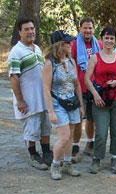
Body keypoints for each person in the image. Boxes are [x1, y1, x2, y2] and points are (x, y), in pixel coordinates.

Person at [84, 26, 116, 175]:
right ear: (102, 39)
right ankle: (97, 158)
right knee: (101, 132)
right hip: (100, 100)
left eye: (112, 38)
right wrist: (95, 96)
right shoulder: (95, 57)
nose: (109, 40)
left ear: (115, 40)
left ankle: (115, 158)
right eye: (106, 38)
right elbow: (87, 79)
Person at [9, 18, 52, 171]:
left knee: (46, 127)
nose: (30, 32)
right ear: (19, 32)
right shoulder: (16, 52)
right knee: (32, 130)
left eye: (32, 28)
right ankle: (33, 155)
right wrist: (20, 100)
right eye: (26, 29)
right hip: (29, 101)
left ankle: (47, 152)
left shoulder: (37, 49)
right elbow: (14, 77)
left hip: (42, 99)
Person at [42, 30, 84, 180]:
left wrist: (80, 105)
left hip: (72, 102)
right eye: (67, 42)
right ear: (59, 44)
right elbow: (46, 89)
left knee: (70, 136)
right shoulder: (49, 63)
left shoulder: (71, 61)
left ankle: (67, 164)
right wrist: (51, 111)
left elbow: (77, 84)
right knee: (64, 136)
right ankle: (55, 165)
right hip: (57, 104)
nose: (70, 44)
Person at [71, 17, 103, 159]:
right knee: (78, 118)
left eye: (90, 28)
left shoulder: (100, 45)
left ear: (93, 30)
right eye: (85, 28)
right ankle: (75, 146)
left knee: (92, 118)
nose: (88, 30)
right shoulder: (73, 45)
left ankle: (90, 143)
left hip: (95, 88)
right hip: (79, 88)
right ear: (80, 29)